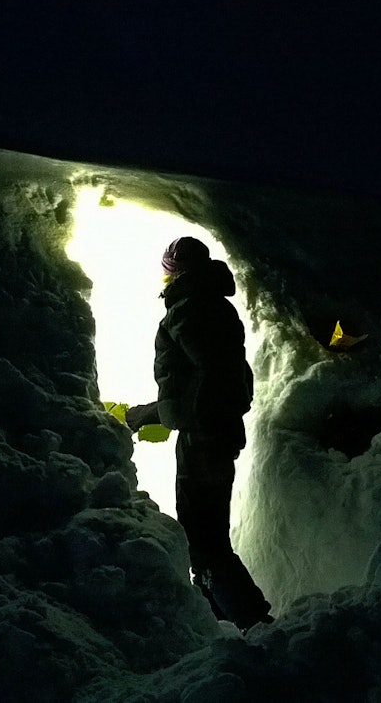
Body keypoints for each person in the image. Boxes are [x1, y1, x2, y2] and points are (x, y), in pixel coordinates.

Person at [125, 236, 272, 631]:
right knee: (207, 537)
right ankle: (229, 619)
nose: (163, 279)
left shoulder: (191, 309)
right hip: (212, 434)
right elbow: (212, 377)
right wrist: (154, 413)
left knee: (204, 541)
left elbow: (214, 375)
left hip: (204, 440)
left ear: (177, 272)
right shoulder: (212, 306)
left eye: (167, 271)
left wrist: (192, 421)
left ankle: (251, 623)